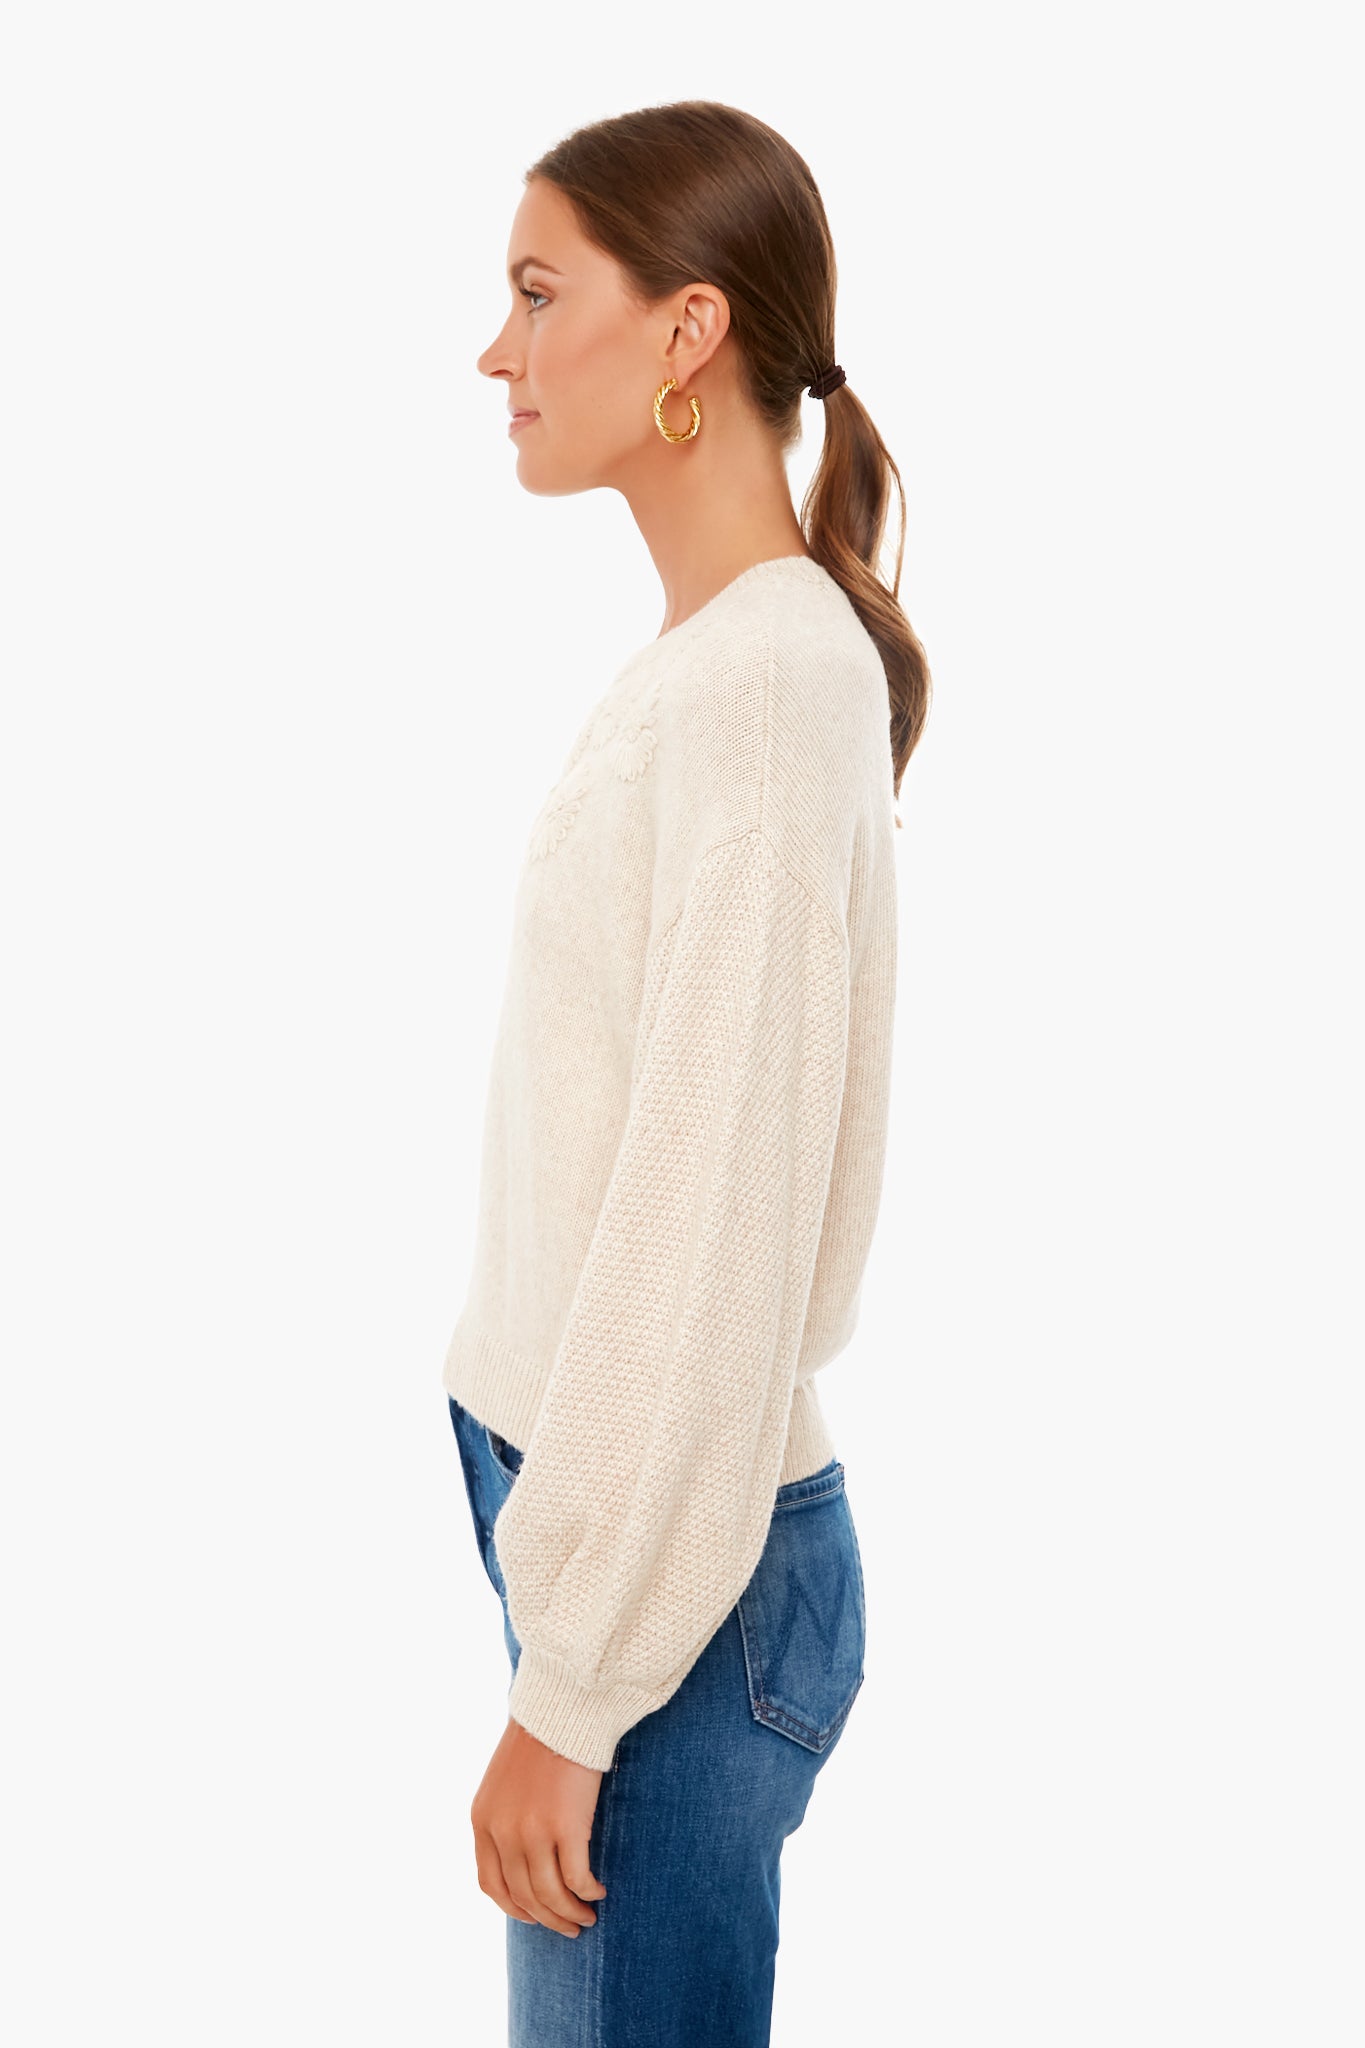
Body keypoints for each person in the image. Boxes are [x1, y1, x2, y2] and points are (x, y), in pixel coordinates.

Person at [442, 99, 931, 2046]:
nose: (494, 350)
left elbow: (710, 1227)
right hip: (643, 1555)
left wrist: (573, 1693)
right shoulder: (736, 660)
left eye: (534, 292)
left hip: (666, 1603)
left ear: (685, 330)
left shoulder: (760, 690)